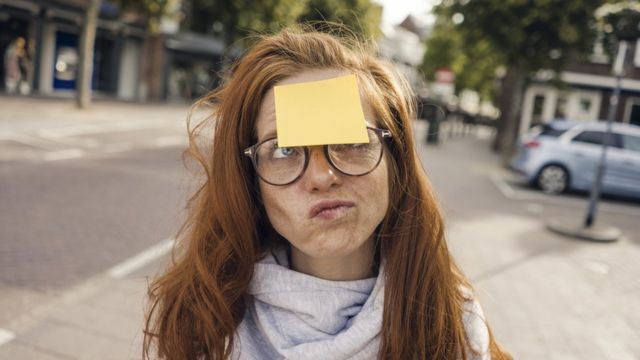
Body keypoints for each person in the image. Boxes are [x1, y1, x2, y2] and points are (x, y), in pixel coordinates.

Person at [144, 26, 512, 360]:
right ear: (248, 181)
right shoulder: (202, 323)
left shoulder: (454, 327)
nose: (322, 176)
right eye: (284, 150)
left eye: (352, 141)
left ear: (394, 162)